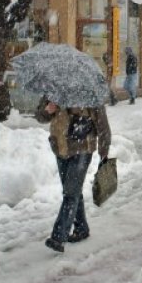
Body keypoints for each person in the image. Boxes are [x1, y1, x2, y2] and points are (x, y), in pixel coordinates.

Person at [36, 98, 111, 253]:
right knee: (72, 191)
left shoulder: (89, 92)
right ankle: (82, 227)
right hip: (60, 148)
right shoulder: (54, 89)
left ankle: (58, 236)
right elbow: (39, 116)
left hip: (83, 149)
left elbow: (103, 125)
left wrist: (104, 153)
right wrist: (47, 111)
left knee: (71, 193)